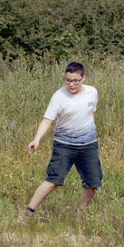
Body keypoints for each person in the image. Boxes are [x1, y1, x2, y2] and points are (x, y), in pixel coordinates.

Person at [25, 61, 100, 217]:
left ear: (83, 78)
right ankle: (28, 213)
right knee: (53, 181)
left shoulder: (92, 92)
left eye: (75, 81)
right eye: (68, 80)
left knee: (92, 184)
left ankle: (77, 215)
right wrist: (36, 139)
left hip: (88, 145)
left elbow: (91, 112)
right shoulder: (59, 96)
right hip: (64, 145)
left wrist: (91, 130)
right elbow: (47, 119)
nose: (71, 84)